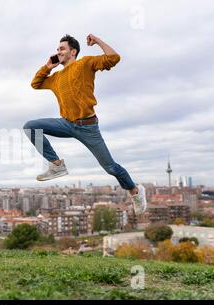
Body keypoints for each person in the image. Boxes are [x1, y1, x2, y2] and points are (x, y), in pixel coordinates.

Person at [23, 34, 147, 214]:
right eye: (57, 49)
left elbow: (114, 58)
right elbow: (35, 83)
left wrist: (97, 41)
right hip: (66, 123)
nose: (58, 52)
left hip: (88, 127)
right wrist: (48, 67)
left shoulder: (85, 63)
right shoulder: (56, 77)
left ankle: (135, 191)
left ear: (73, 52)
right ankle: (56, 165)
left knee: (111, 168)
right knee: (31, 126)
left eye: (62, 49)